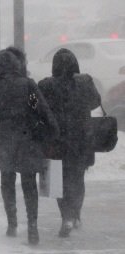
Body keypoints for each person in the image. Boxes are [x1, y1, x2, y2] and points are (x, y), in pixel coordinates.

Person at [0, 49, 58, 245]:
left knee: (7, 181)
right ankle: (33, 227)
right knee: (29, 184)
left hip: (4, 138)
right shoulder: (27, 86)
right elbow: (38, 108)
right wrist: (52, 131)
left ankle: (12, 223)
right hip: (27, 139)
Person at [38, 48, 101, 238]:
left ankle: (66, 215)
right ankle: (75, 214)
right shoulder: (85, 81)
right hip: (81, 140)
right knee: (77, 178)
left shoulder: (45, 85)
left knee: (57, 181)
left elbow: (34, 105)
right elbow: (95, 102)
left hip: (55, 141)